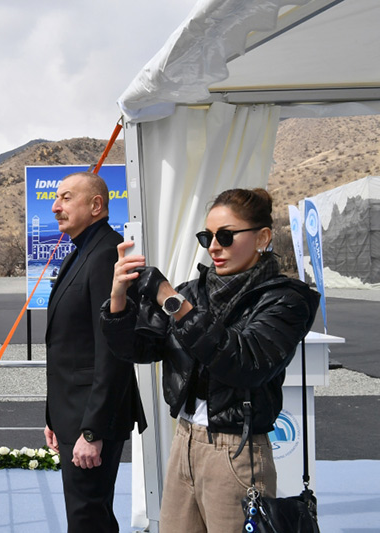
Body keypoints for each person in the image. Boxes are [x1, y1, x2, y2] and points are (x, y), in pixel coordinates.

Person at [100, 188, 320, 532]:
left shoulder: (286, 299)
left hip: (237, 451)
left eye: (226, 236)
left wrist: (171, 300)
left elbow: (246, 363)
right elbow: (138, 349)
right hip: (185, 440)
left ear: (262, 238)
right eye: (207, 237)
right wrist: (117, 297)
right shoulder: (193, 291)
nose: (214, 247)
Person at [44, 171, 147, 532]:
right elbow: (70, 347)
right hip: (73, 413)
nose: (55, 207)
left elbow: (111, 350)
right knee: (92, 517)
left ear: (96, 205)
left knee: (87, 519)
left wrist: (92, 431)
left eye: (66, 198)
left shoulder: (106, 255)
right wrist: (53, 417)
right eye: (56, 198)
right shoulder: (80, 252)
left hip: (91, 417)